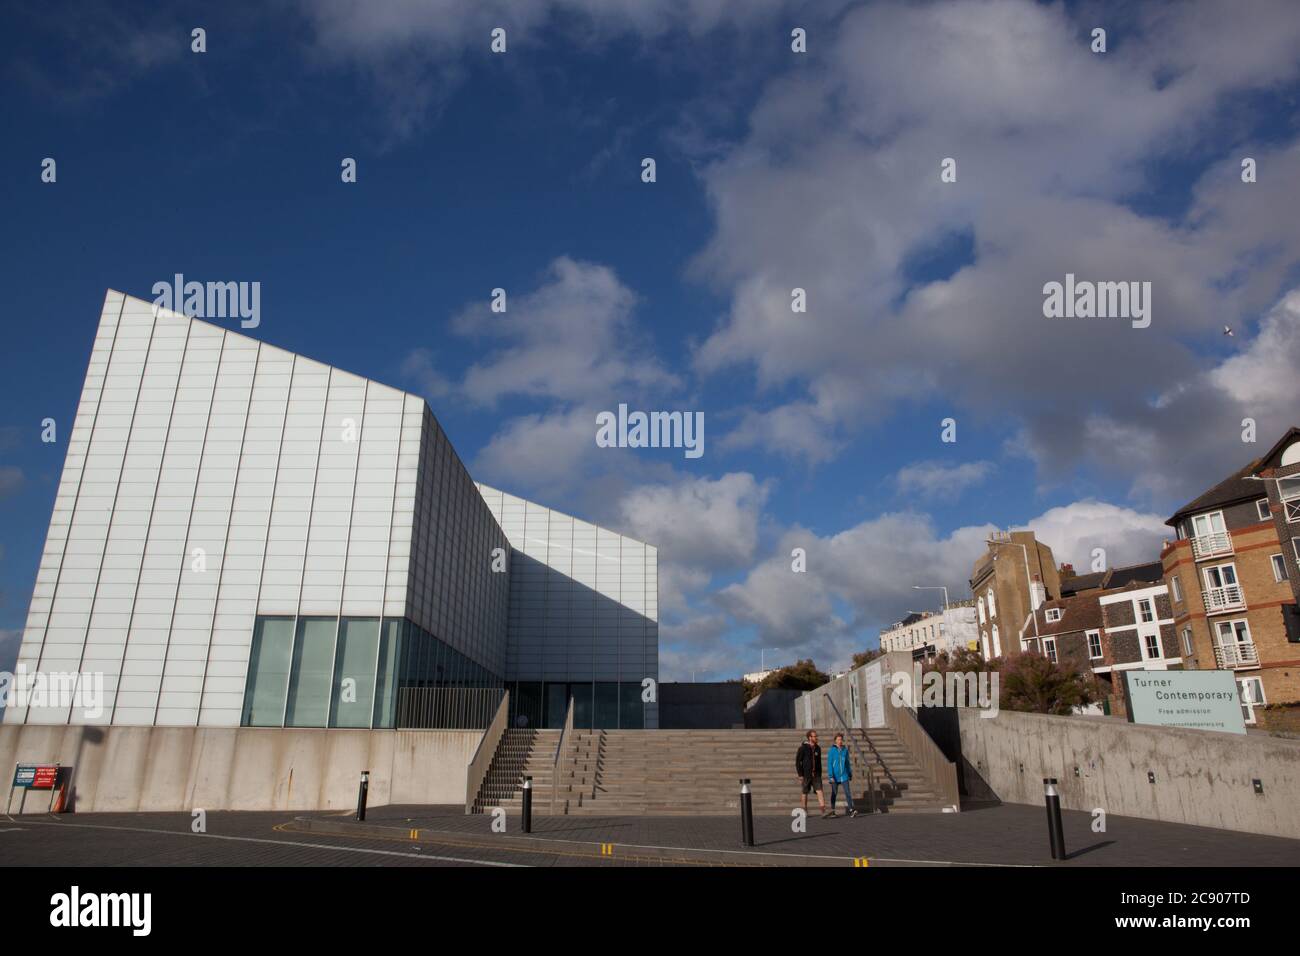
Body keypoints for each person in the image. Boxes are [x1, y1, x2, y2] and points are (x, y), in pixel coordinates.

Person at [795, 730, 830, 818]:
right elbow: (798, 762)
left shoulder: (818, 748)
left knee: (820, 791)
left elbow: (819, 762)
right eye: (814, 736)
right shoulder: (803, 748)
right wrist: (800, 774)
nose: (816, 738)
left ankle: (823, 811)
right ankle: (804, 810)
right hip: (806, 774)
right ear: (810, 737)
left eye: (816, 736)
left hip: (816, 774)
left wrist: (820, 773)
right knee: (805, 792)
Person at [826, 733, 859, 818]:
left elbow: (847, 763)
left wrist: (849, 773)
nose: (840, 741)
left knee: (848, 792)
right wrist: (830, 775)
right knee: (834, 793)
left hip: (844, 775)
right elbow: (829, 763)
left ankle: (851, 810)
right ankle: (833, 810)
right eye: (838, 739)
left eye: (841, 739)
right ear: (835, 740)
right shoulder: (832, 750)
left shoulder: (845, 750)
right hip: (835, 776)